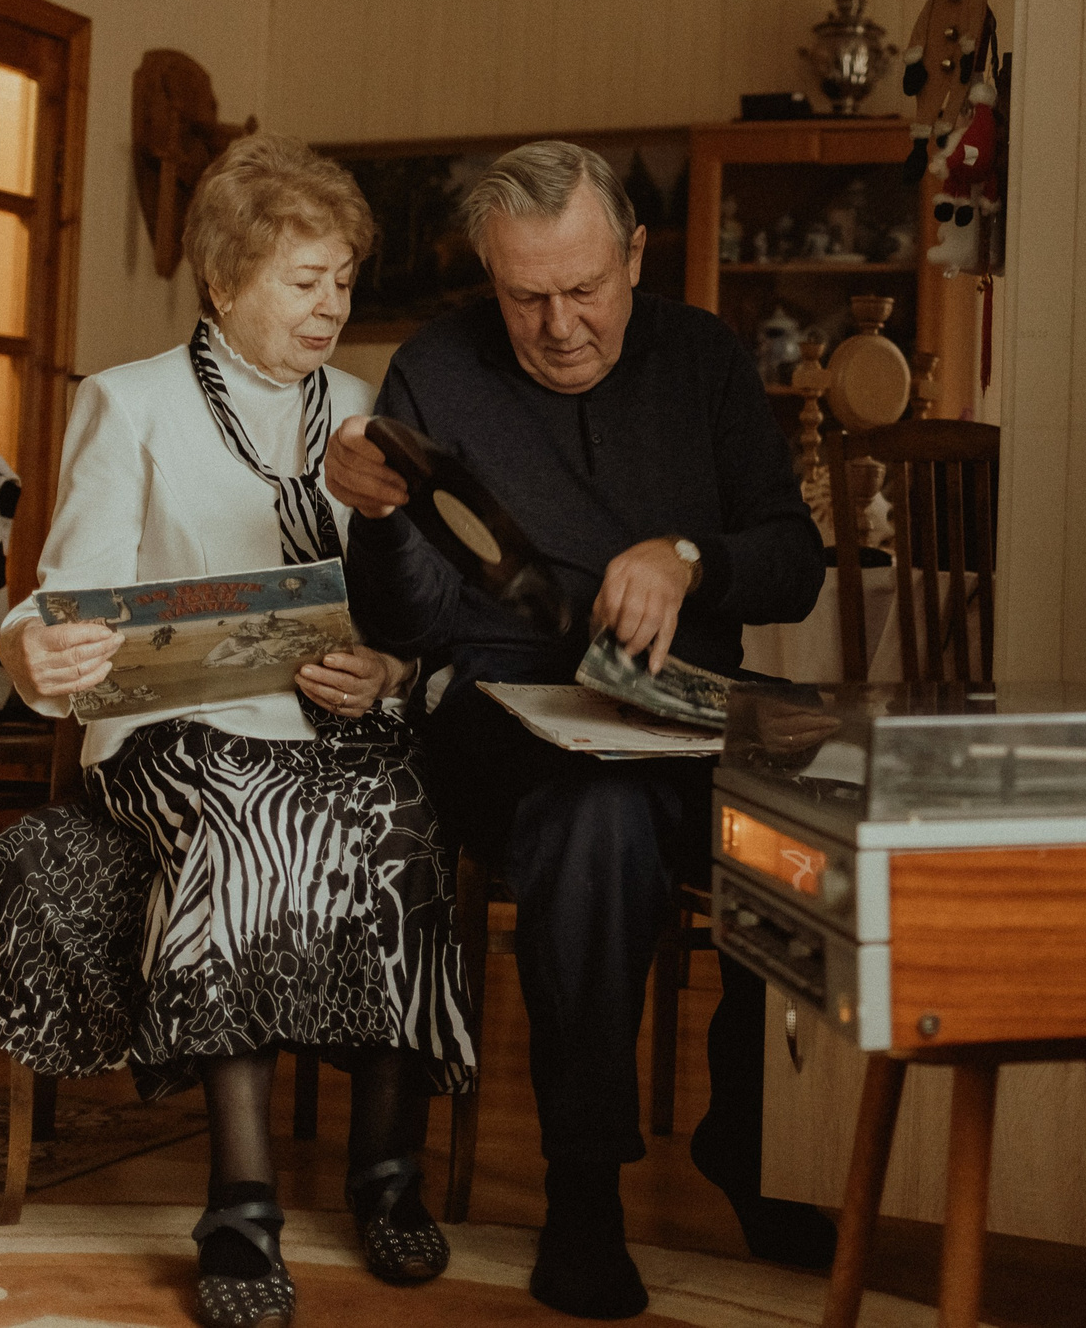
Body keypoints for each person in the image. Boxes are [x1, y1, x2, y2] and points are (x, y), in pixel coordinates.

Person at [0, 133, 473, 1328]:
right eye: (304, 279)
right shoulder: (127, 403)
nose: (331, 304)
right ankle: (240, 1205)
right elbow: (65, 597)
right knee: (248, 820)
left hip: (330, 727)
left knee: (401, 816)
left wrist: (384, 670)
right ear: (226, 278)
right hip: (173, 734)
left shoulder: (368, 412)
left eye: (342, 277)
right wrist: (37, 647)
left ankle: (383, 1170)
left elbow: (412, 604)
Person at [326, 141, 833, 1320]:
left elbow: (795, 564)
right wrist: (378, 519)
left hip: (684, 717)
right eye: (525, 297)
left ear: (636, 258)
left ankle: (752, 1143)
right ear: (489, 278)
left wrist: (688, 558)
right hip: (503, 721)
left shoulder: (702, 357)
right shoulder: (437, 369)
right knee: (594, 822)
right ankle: (586, 1194)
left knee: (809, 820)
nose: (558, 326)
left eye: (585, 291)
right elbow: (400, 616)